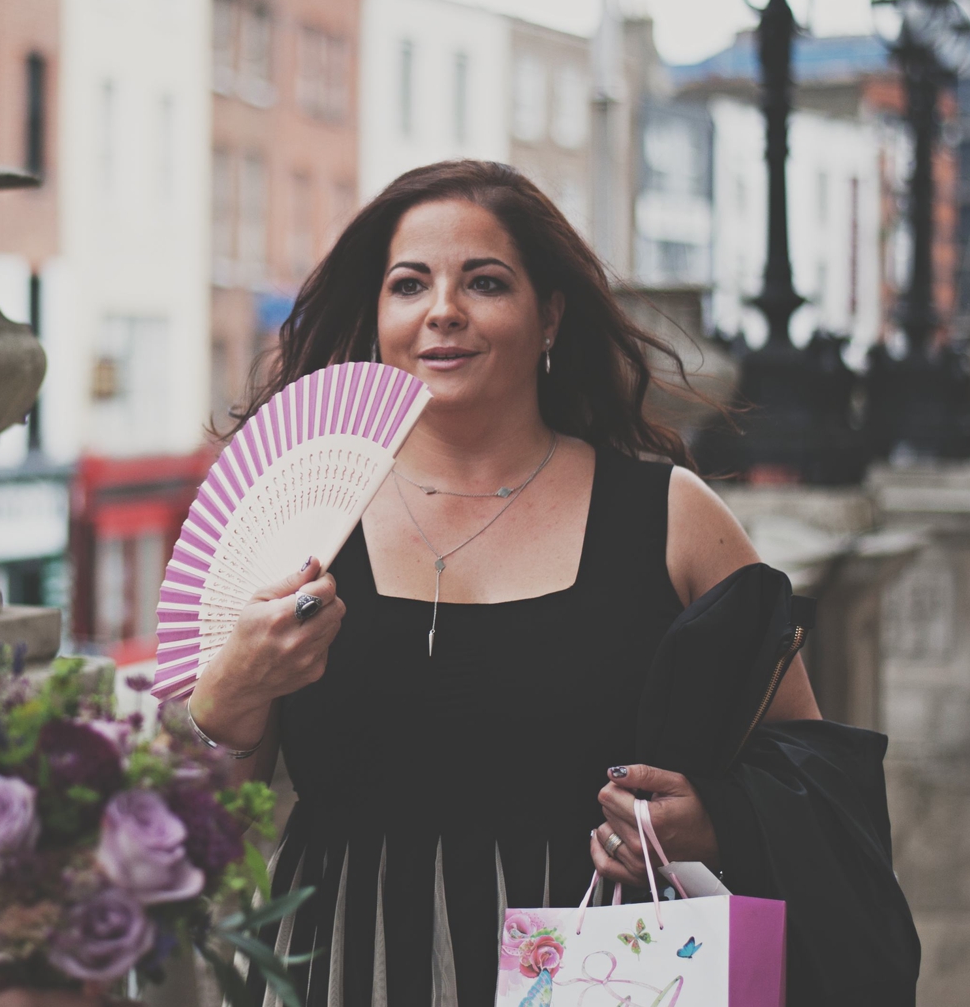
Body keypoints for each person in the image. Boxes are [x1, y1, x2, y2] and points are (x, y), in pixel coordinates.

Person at [187, 161, 823, 1007]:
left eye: (484, 282)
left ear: (549, 314)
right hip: (344, 965)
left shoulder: (670, 516)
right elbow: (206, 827)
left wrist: (711, 817)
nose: (442, 309)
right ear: (379, 317)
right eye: (409, 284)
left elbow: (813, 767)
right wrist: (231, 688)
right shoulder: (296, 521)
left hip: (599, 970)